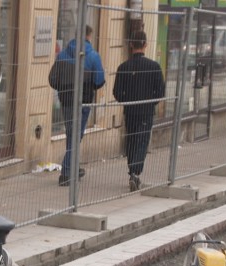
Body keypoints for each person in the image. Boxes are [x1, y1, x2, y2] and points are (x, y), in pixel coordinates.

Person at [49, 25, 105, 187]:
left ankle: (73, 167)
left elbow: (52, 79)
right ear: (88, 36)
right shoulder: (93, 57)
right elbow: (99, 81)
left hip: (66, 102)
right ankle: (66, 173)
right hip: (83, 103)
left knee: (72, 134)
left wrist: (64, 87)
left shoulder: (62, 56)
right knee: (76, 136)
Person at [113, 30, 165, 193]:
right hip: (146, 111)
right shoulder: (154, 66)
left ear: (130, 45)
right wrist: (151, 102)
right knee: (142, 141)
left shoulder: (123, 67)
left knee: (132, 140)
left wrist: (126, 101)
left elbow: (117, 91)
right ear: (145, 45)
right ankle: (135, 172)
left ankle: (132, 171)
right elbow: (160, 92)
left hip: (130, 111)